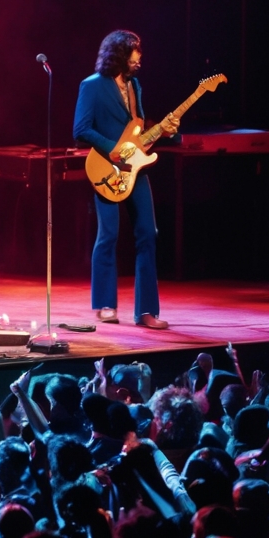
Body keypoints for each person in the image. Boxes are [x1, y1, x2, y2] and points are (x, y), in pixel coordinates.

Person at [73, 30, 178, 329]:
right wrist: (113, 149)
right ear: (119, 53)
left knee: (148, 233)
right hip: (106, 168)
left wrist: (168, 131)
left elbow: (139, 129)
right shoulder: (92, 86)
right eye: (134, 51)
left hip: (137, 170)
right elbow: (81, 129)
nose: (139, 58)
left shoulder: (135, 86)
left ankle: (146, 311)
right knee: (109, 234)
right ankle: (105, 304)